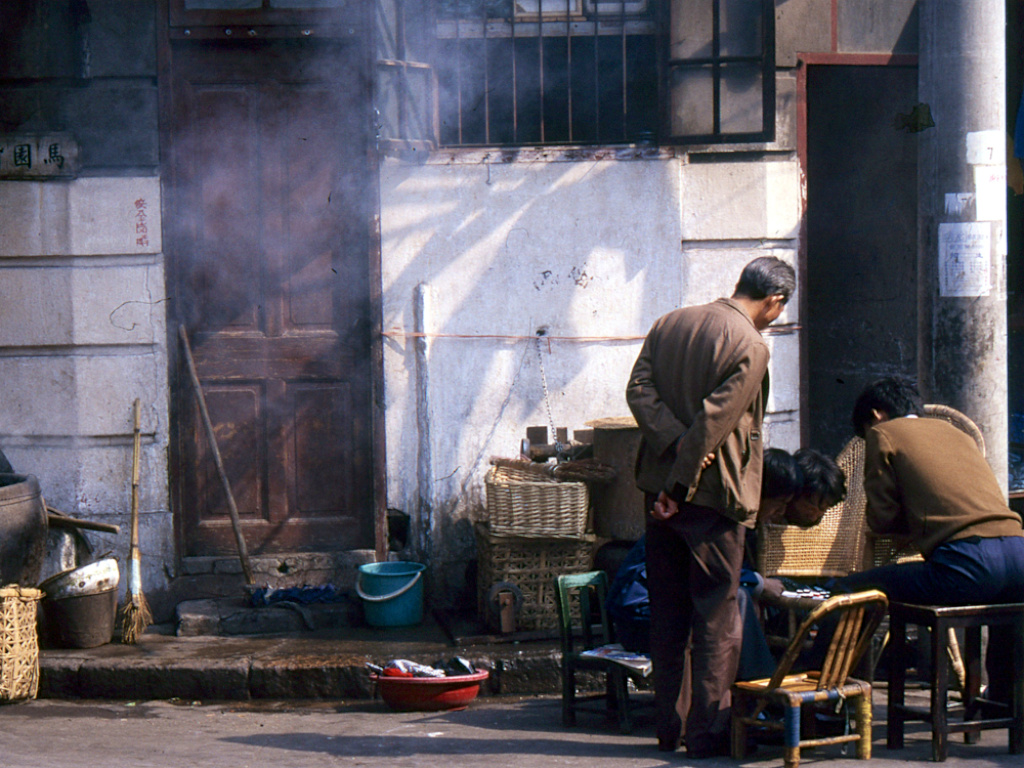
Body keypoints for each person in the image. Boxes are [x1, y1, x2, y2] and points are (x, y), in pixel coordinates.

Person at [625, 255, 795, 757]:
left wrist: (671, 446)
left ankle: (668, 727)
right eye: (780, 310)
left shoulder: (670, 323)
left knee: (668, 614)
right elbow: (715, 422)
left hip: (660, 490)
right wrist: (681, 482)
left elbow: (638, 391)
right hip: (710, 496)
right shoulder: (750, 344)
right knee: (716, 620)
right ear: (774, 301)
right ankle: (705, 735)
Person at [831, 376, 1024, 702]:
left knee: (848, 590)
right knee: (1007, 620)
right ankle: (1000, 704)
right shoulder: (957, 433)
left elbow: (881, 518)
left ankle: (824, 699)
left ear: (876, 415)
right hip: (1019, 553)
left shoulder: (882, 432)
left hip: (969, 566)